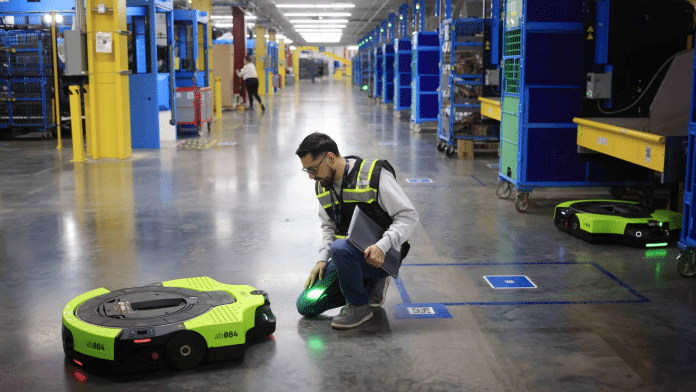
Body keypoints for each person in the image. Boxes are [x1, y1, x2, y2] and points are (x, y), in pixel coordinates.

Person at [295, 133, 419, 329]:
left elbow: (408, 216)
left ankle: (359, 304)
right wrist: (322, 259)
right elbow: (328, 226)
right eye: (306, 170)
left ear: (330, 158)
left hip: (384, 255)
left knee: (339, 248)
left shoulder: (373, 176)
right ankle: (363, 285)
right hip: (348, 254)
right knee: (306, 305)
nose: (311, 176)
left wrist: (382, 246)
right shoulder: (323, 186)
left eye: (313, 169)